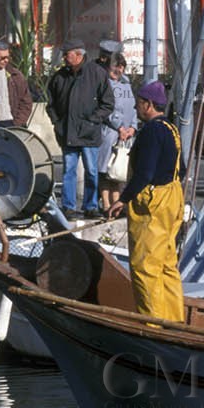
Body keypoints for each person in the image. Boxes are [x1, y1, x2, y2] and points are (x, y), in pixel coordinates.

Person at [115, 80, 185, 321]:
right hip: (173, 196)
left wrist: (123, 199)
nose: (136, 109)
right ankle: (175, 321)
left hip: (154, 202)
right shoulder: (171, 129)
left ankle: (153, 324)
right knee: (166, 264)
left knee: (145, 266)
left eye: (138, 104)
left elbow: (144, 172)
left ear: (148, 104)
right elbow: (182, 169)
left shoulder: (152, 130)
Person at [47, 40, 115, 219]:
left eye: (67, 54)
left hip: (89, 132)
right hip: (67, 132)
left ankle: (90, 206)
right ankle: (68, 207)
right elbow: (51, 104)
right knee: (69, 170)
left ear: (78, 55)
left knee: (91, 170)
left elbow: (107, 103)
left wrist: (92, 120)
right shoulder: (59, 77)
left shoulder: (97, 73)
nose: (64, 57)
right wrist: (57, 123)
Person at [96, 53, 137, 217]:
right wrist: (119, 127)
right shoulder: (104, 85)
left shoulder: (127, 86)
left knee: (120, 171)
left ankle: (117, 203)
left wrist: (132, 127)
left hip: (127, 135)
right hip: (110, 132)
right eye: (115, 66)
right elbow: (106, 110)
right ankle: (106, 204)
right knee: (106, 170)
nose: (118, 70)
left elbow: (134, 108)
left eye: (121, 66)